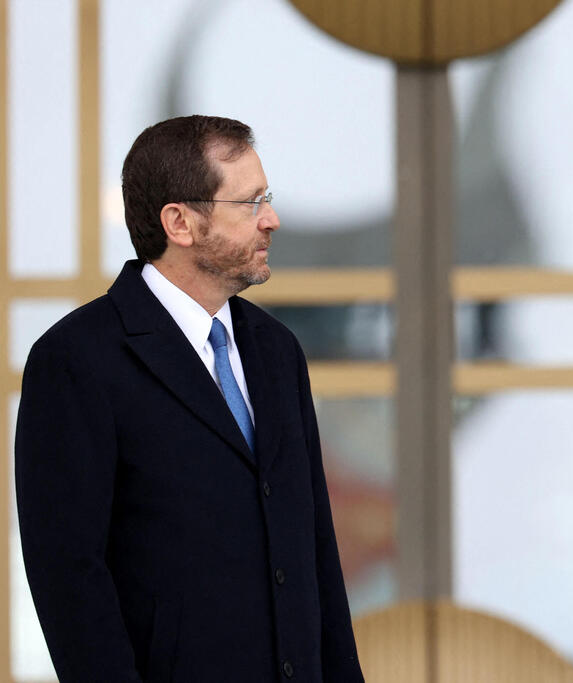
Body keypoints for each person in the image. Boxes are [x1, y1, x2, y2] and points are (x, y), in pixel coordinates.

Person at [16, 116, 364, 682]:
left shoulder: (279, 352)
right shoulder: (77, 361)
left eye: (267, 198)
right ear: (179, 222)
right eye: (250, 203)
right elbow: (70, 578)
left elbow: (316, 550)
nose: (271, 220)